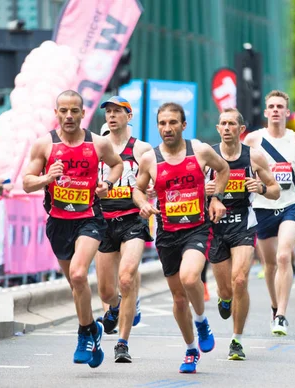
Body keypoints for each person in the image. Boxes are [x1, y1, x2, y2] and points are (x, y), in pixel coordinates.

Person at [23, 90, 123, 368]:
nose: (69, 116)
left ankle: (83, 335)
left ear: (83, 113)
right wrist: (47, 177)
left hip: (89, 218)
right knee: (75, 284)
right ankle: (93, 329)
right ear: (56, 113)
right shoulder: (44, 145)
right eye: (63, 111)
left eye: (74, 111)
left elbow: (117, 165)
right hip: (58, 222)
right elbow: (26, 182)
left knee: (79, 274)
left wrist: (108, 184)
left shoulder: (98, 143)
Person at [133, 102, 230, 373]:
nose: (167, 128)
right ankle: (190, 349)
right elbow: (138, 190)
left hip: (197, 228)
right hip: (166, 233)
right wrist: (142, 203)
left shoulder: (199, 150)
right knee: (177, 298)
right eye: (162, 123)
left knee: (190, 278)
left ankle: (201, 321)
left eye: (173, 122)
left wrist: (217, 198)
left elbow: (223, 169)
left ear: (183, 125)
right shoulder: (150, 159)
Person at [207, 108, 280, 360]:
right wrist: (203, 191)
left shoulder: (253, 157)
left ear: (241, 130)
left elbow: (275, 190)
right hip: (215, 226)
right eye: (222, 124)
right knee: (226, 290)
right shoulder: (208, 156)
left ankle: (236, 340)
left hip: (243, 223)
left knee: (240, 280)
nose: (227, 128)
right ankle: (224, 299)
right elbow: (185, 185)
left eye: (231, 124)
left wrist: (260, 187)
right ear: (218, 129)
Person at [243, 90, 295, 336]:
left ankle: (282, 315)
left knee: (285, 257)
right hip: (263, 206)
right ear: (266, 112)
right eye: (271, 106)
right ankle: (275, 306)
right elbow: (237, 163)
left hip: (290, 204)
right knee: (269, 264)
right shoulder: (253, 139)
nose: (275, 110)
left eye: (280, 106)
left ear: (287, 112)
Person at [93, 96, 153, 363]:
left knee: (126, 279)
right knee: (107, 292)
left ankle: (122, 343)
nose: (112, 115)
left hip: (132, 218)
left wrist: (151, 190)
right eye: (108, 112)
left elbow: (157, 178)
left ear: (129, 116)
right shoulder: (97, 147)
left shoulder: (141, 149)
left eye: (118, 111)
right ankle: (116, 307)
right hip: (103, 220)